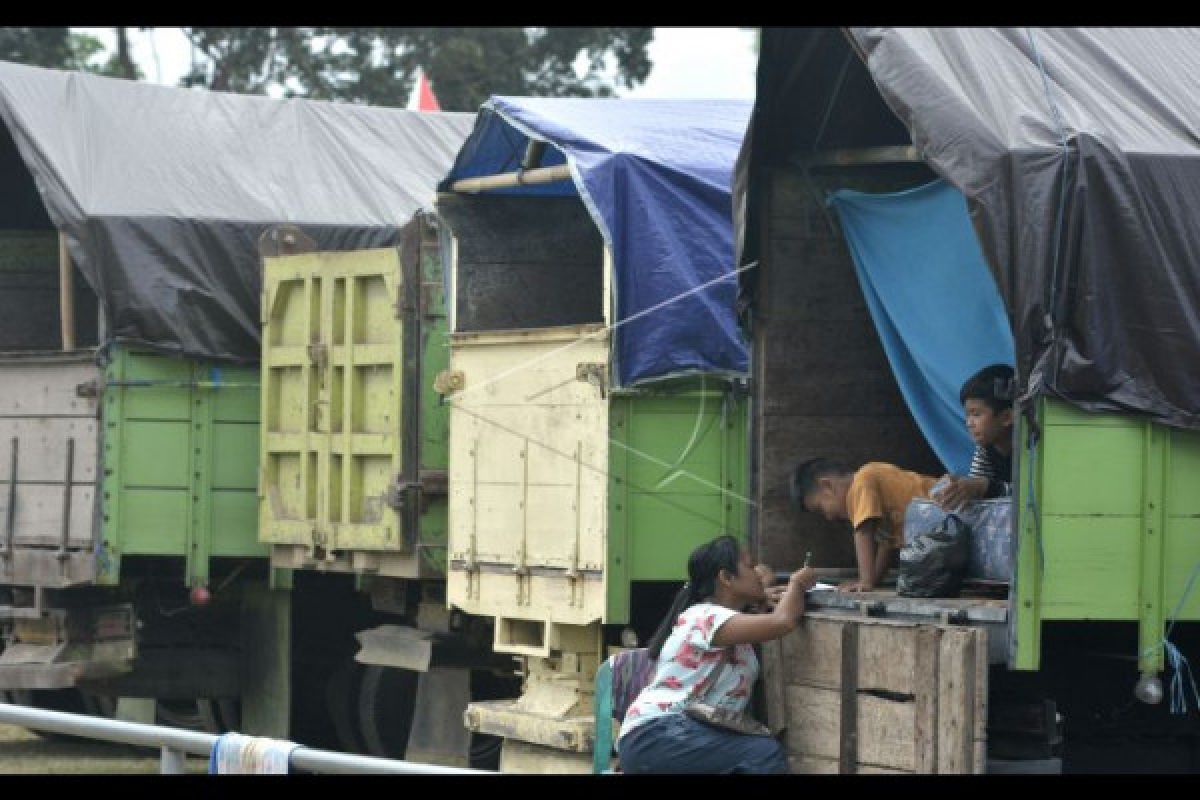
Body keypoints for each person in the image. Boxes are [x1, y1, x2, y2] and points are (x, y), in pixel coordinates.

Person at [615, 534, 818, 774]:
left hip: (674, 736)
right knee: (762, 754)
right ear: (726, 578)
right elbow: (782, 622)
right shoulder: (704, 617)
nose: (760, 573)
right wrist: (797, 584)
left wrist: (763, 595)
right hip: (657, 735)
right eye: (750, 566)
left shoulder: (731, 627)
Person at [791, 459, 936, 592]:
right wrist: (874, 580)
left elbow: (863, 531)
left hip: (948, 514)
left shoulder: (863, 479)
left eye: (820, 509)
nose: (828, 517)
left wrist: (865, 581)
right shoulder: (879, 504)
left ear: (827, 486)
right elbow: (887, 544)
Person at [933, 364, 1015, 510]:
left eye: (976, 414)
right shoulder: (985, 448)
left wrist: (984, 487)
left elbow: (1031, 496)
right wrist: (959, 489)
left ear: (1006, 417)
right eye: (967, 415)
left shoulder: (1030, 449)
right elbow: (977, 490)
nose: (969, 423)